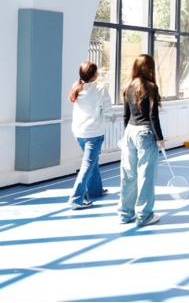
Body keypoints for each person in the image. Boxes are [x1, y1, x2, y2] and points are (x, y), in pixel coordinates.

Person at [119, 54, 165, 227]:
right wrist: (160, 138)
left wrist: (127, 135)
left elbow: (125, 115)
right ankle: (144, 215)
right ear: (149, 68)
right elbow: (153, 116)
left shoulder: (128, 86)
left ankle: (125, 214)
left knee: (129, 174)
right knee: (146, 175)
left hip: (130, 132)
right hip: (145, 132)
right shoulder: (151, 87)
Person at [67, 62, 114, 210]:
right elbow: (107, 110)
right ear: (94, 74)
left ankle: (95, 191)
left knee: (92, 161)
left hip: (79, 132)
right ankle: (76, 199)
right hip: (94, 133)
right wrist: (112, 116)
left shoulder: (77, 87)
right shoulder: (100, 89)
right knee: (88, 164)